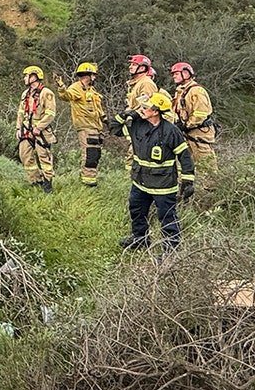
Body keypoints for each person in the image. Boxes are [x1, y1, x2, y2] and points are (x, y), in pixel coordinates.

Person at [110, 92, 195, 252]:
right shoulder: (137, 126)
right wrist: (124, 115)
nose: (141, 109)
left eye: (145, 107)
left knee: (167, 218)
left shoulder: (171, 131)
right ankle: (140, 240)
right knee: (136, 211)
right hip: (140, 182)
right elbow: (114, 129)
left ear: (156, 111)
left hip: (163, 186)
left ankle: (171, 251)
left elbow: (184, 156)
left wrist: (188, 180)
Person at [55, 62, 106, 187]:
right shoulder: (76, 88)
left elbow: (97, 108)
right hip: (85, 126)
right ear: (87, 75)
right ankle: (88, 182)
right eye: (93, 75)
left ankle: (90, 178)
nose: (94, 78)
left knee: (95, 154)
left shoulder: (91, 90)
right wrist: (61, 86)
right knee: (90, 154)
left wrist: (106, 120)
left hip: (95, 126)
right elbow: (66, 96)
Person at [16, 65, 56, 194]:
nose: (24, 78)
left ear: (34, 77)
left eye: (26, 76)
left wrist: (39, 127)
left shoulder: (47, 93)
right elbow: (21, 112)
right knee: (24, 155)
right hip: (27, 130)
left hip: (42, 132)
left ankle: (48, 183)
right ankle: (35, 180)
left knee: (44, 158)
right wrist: (18, 128)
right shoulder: (25, 94)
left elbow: (50, 113)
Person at [170, 62, 217, 170]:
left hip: (200, 133)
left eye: (176, 73)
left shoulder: (197, 91)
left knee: (206, 163)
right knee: (187, 163)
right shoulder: (180, 91)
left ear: (186, 74)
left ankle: (210, 187)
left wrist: (187, 125)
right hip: (187, 133)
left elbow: (200, 114)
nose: (174, 76)